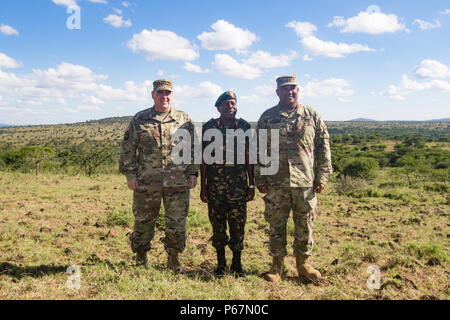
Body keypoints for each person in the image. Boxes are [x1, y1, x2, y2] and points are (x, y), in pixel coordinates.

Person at [256, 75, 332, 284]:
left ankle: (303, 265)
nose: (289, 92)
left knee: (304, 225)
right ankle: (277, 266)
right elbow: (258, 149)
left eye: (293, 88)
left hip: (305, 182)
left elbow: (323, 147)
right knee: (276, 224)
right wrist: (259, 177)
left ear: (298, 90)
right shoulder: (267, 117)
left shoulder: (311, 115)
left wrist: (322, 176)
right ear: (277, 91)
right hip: (276, 182)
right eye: (284, 88)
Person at [119, 79, 198, 273]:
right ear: (153, 95)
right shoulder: (140, 118)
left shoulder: (183, 119)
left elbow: (193, 148)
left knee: (177, 223)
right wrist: (130, 175)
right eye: (160, 93)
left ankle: (173, 259)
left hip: (177, 182)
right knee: (143, 221)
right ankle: (141, 257)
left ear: (172, 95)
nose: (164, 96)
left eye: (168, 93)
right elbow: (128, 148)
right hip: (147, 182)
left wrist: (193, 172)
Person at [200, 91, 255, 277]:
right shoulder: (209, 127)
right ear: (218, 108)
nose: (230, 107)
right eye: (225, 104)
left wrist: (252, 184)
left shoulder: (245, 127)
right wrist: (203, 186)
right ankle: (221, 264)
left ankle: (237, 265)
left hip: (238, 187)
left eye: (232, 103)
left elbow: (250, 157)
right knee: (218, 226)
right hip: (215, 188)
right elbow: (204, 158)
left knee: (238, 225)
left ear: (236, 105)